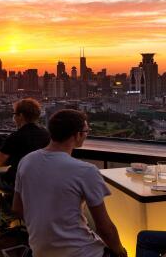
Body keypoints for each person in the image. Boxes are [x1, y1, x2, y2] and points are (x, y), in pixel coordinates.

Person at [13, 109, 126, 257]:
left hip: (40, 250)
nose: (86, 135)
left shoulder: (26, 161)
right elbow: (105, 228)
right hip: (83, 252)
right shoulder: (86, 171)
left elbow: (17, 208)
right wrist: (120, 251)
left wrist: (45, 230)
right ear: (78, 135)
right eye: (86, 131)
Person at [0, 98, 49, 210]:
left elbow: (0, 162)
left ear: (20, 116)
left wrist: (14, 158)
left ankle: (7, 215)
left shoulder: (16, 136)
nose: (13, 118)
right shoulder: (46, 134)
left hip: (15, 181)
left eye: (14, 114)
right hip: (40, 182)